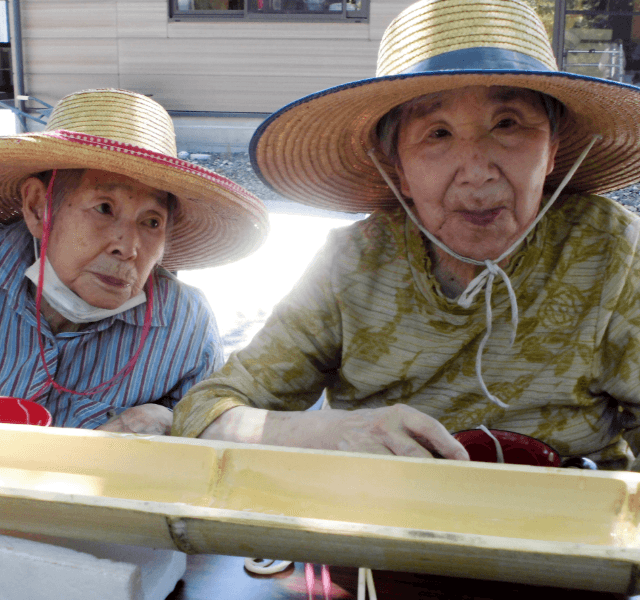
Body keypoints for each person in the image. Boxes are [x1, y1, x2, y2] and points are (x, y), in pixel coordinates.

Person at [172, 0, 640, 470]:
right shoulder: (355, 263)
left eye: (507, 124)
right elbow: (203, 412)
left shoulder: (612, 251)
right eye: (437, 134)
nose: (476, 173)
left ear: (553, 150)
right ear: (398, 168)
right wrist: (328, 431)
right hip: (386, 530)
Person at [0, 88, 269, 434]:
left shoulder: (183, 324)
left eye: (152, 222)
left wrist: (167, 425)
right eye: (104, 208)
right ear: (39, 207)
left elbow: (203, 448)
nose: (128, 248)